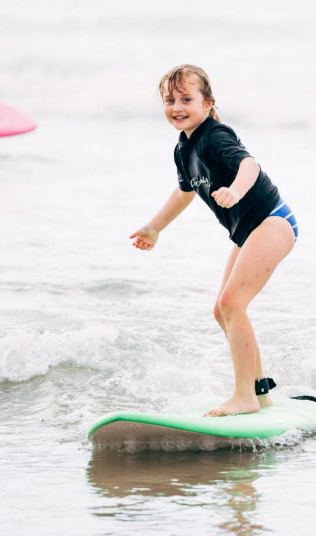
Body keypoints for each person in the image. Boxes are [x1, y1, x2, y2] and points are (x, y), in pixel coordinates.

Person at [129, 65, 299, 417]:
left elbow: (249, 164)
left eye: (186, 99)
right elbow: (184, 192)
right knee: (222, 310)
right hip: (248, 230)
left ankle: (244, 398)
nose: (177, 106)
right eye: (170, 100)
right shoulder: (183, 148)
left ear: (207, 103)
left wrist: (235, 191)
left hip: (272, 221)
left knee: (232, 303)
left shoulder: (215, 136)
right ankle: (259, 392)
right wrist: (154, 228)